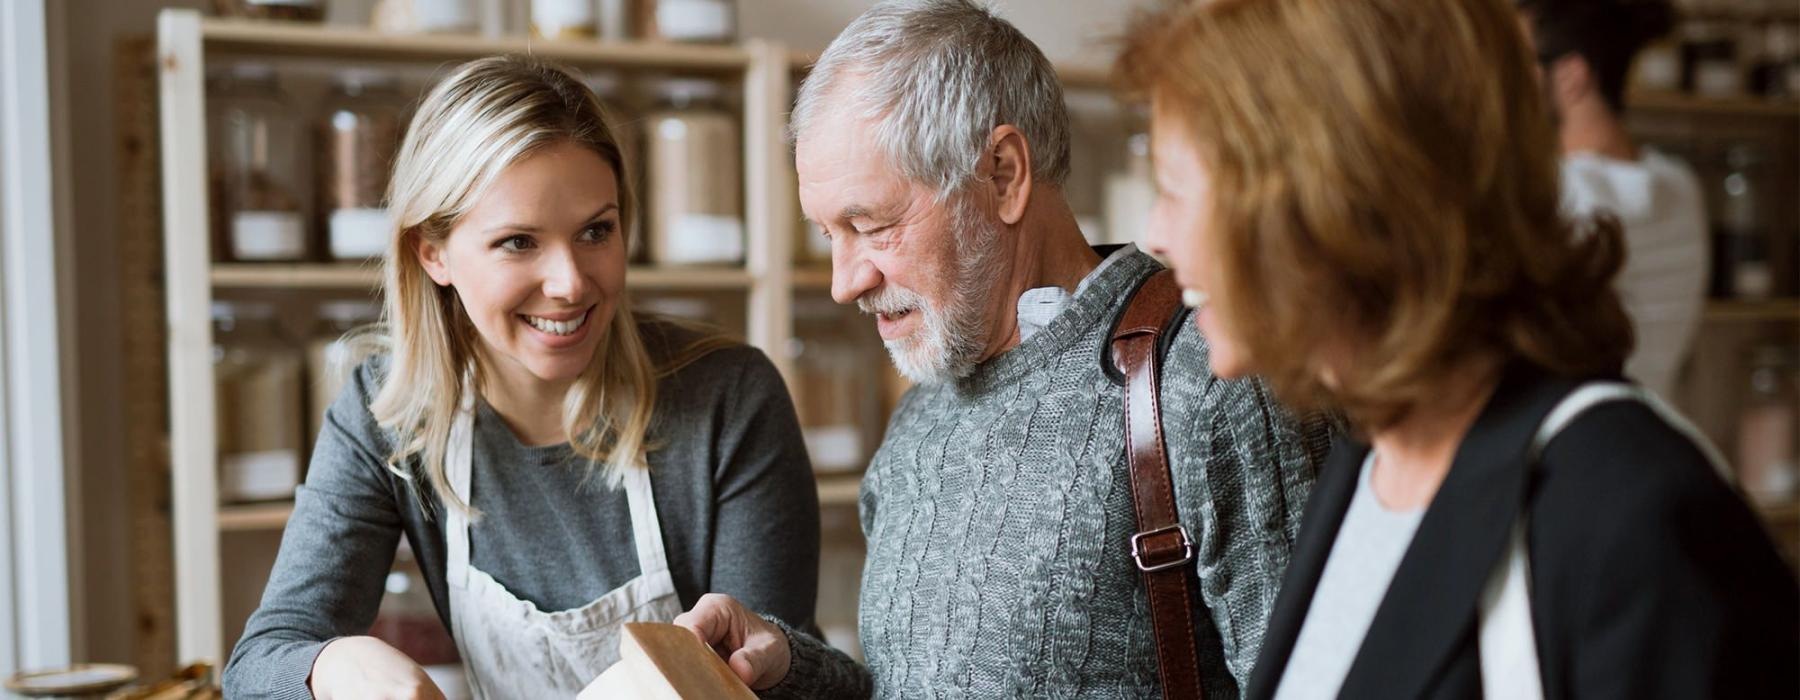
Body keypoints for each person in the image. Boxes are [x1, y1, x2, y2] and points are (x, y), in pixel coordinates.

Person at [1119, 0, 1799, 697]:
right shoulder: (1372, 461)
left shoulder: (1628, 517)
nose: (1153, 235)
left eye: (1173, 188)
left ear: (1331, 202)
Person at [674, 1, 1334, 697]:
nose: (844, 283)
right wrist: (787, 664)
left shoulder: (1213, 378)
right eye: (828, 233)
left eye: (871, 226)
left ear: (1003, 175)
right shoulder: (920, 416)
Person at [222, 56, 820, 699]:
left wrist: (769, 664)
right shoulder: (386, 411)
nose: (569, 283)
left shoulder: (727, 395)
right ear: (433, 251)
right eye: (518, 242)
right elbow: (259, 664)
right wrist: (336, 665)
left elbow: (792, 665)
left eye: (596, 230)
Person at [1520, 0, 1709, 401]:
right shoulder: (1680, 185)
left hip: (1579, 437)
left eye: (1522, 63)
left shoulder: (1559, 192)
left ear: (1572, 75)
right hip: (1657, 423)